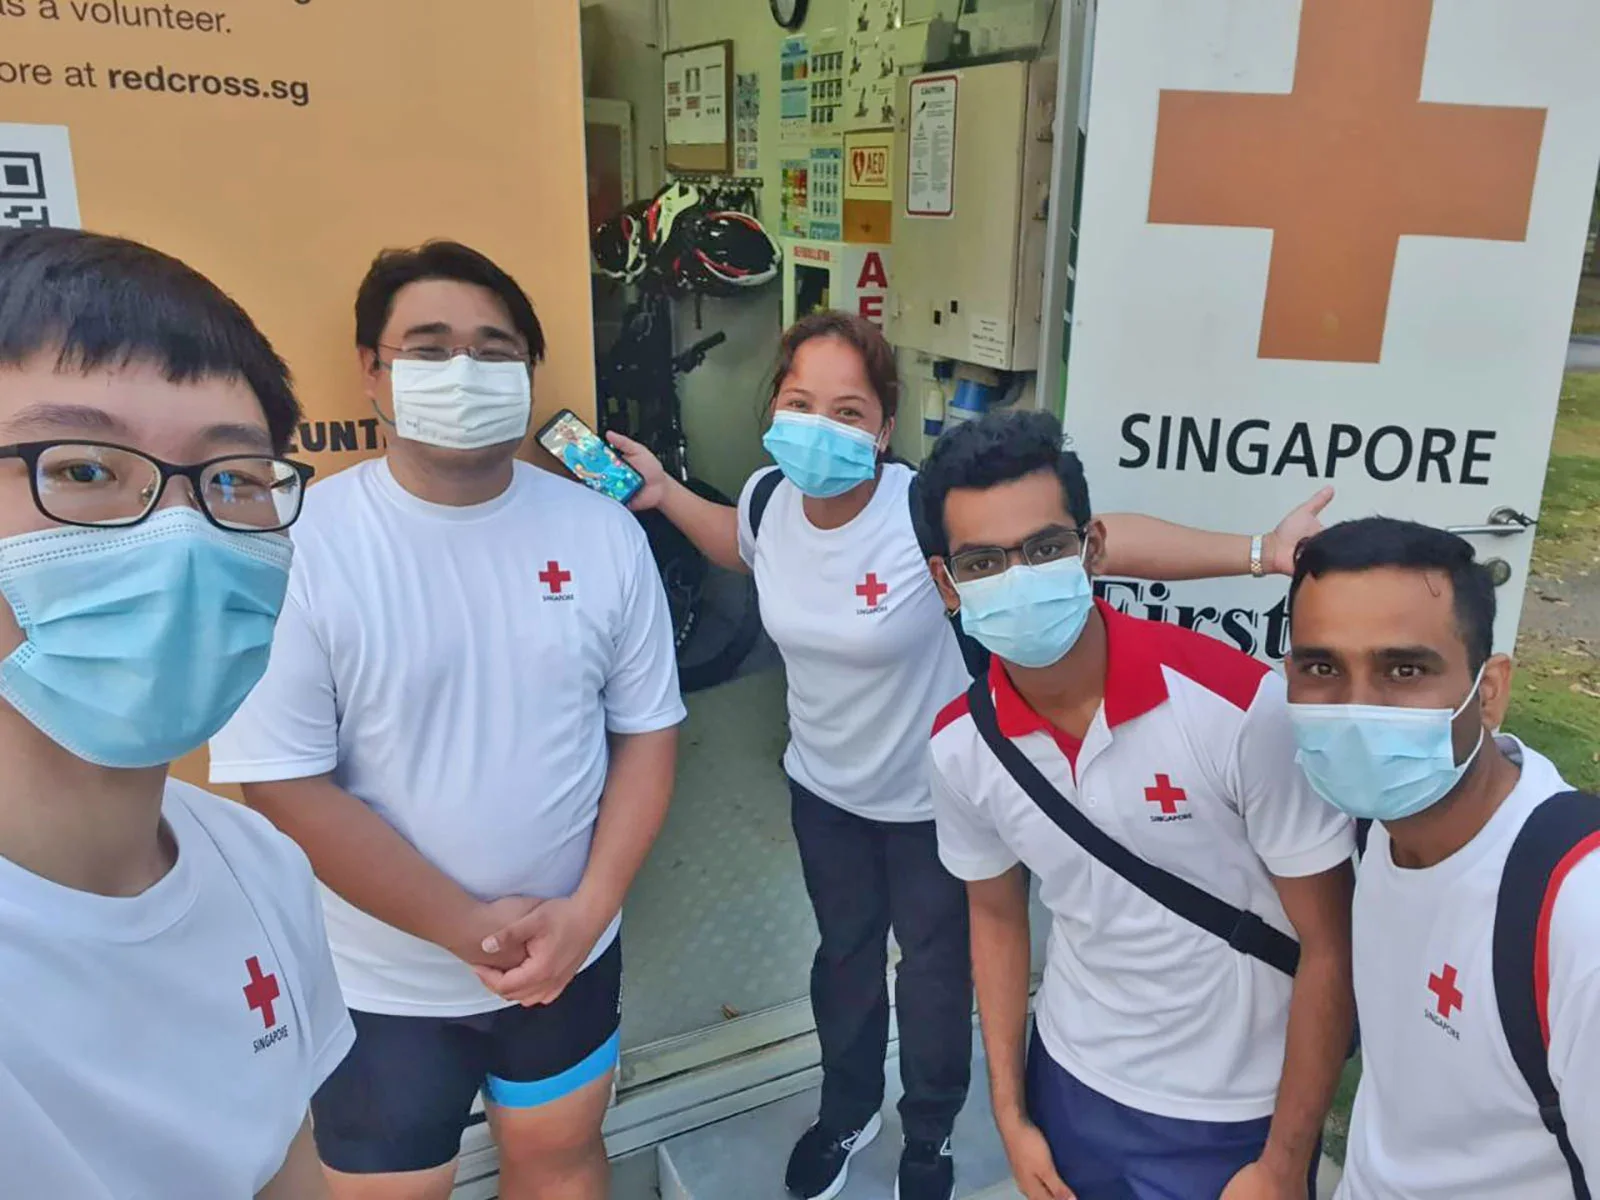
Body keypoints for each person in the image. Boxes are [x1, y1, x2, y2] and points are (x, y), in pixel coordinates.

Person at [609, 312, 1336, 1200]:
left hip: (933, 796)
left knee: (935, 976)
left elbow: (1099, 544)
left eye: (846, 411)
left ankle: (930, 1132)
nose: (818, 427)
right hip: (824, 790)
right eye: (799, 402)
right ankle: (846, 1112)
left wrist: (1261, 553)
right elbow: (743, 547)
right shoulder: (768, 499)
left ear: (883, 428)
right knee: (841, 959)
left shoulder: (919, 511)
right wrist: (664, 496)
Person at [209, 241, 685, 1200]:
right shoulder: (300, 545)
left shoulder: (602, 534)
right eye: (429, 348)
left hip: (572, 957)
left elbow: (648, 735)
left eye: (494, 349)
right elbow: (284, 784)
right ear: (372, 370)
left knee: (560, 1165)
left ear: (527, 372)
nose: (464, 372)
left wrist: (586, 913)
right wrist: (466, 929)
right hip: (380, 986)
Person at [920, 409, 1356, 1200]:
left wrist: (1287, 1164)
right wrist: (1010, 1113)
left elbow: (1331, 943)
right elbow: (994, 916)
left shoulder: (1237, 708)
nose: (1019, 577)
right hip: (1070, 1081)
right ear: (946, 584)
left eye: (1045, 549)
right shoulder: (961, 748)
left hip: (1231, 1110)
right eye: (984, 561)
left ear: (1091, 550)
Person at [0, 227, 351, 1197]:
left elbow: (289, 1170)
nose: (179, 536)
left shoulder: (258, 868)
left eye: (230, 481)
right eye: (81, 470)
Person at [1285, 518, 1599, 1199]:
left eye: (1404, 670)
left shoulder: (1577, 916)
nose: (1356, 709)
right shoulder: (1377, 831)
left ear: (1488, 692)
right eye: (1321, 667)